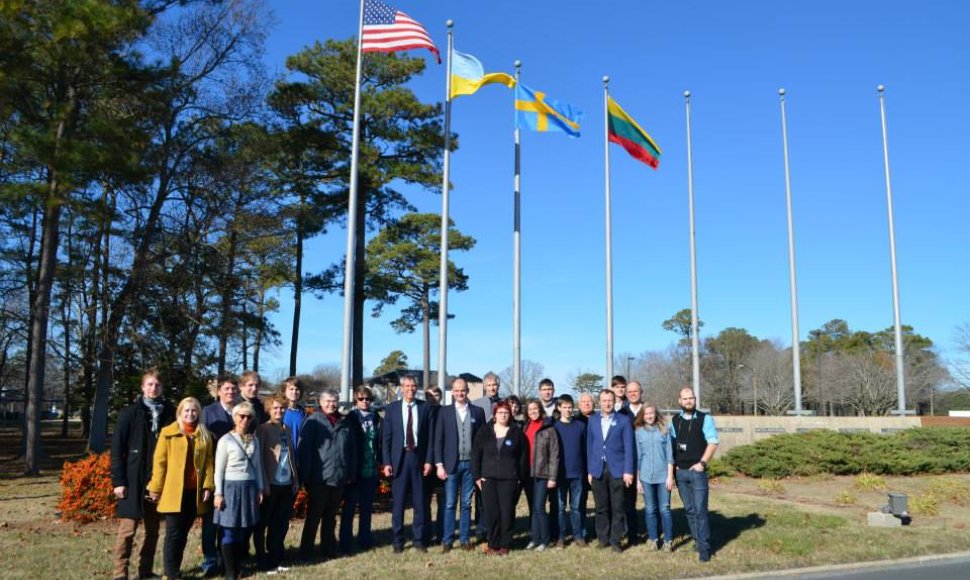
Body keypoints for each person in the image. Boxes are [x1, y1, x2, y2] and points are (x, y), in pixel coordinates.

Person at [111, 369, 175, 580]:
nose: (153, 388)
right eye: (149, 384)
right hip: (133, 479)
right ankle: (120, 573)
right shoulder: (129, 414)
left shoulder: (170, 413)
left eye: (157, 384)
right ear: (142, 387)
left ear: (162, 387)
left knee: (153, 530)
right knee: (127, 531)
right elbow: (117, 451)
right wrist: (118, 482)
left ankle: (145, 571)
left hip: (157, 480)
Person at [148, 397, 215, 580]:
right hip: (174, 492)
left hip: (194, 493)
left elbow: (209, 462)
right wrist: (155, 488)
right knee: (174, 535)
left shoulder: (204, 434)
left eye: (193, 411)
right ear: (180, 412)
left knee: (183, 533)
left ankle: (174, 569)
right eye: (186, 410)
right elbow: (160, 463)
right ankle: (171, 573)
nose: (190, 414)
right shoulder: (168, 433)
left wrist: (208, 485)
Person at [298, 389, 357, 562]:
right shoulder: (313, 421)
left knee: (331, 517)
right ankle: (306, 552)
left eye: (334, 401)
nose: (331, 404)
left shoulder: (344, 423)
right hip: (318, 477)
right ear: (321, 402)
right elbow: (304, 450)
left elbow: (352, 450)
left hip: (339, 476)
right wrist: (305, 476)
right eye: (328, 401)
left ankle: (328, 549)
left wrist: (350, 472)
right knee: (314, 517)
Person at [213, 401, 266, 580]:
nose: (244, 419)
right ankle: (229, 571)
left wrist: (259, 487)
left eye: (248, 416)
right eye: (241, 416)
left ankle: (239, 564)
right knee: (229, 530)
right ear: (234, 417)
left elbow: (257, 466)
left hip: (249, 487)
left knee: (245, 529)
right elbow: (218, 469)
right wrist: (218, 493)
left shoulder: (255, 440)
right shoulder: (225, 440)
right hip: (230, 488)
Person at [382, 375, 433, 553]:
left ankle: (419, 541)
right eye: (407, 386)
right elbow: (386, 438)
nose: (410, 389)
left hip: (418, 459)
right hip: (399, 460)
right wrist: (387, 462)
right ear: (401, 388)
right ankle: (398, 542)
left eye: (413, 386)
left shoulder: (425, 407)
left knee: (420, 504)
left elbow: (430, 438)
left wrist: (428, 460)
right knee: (399, 504)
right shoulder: (392, 409)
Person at [434, 378, 486, 552]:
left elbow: (482, 442)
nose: (459, 393)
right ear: (452, 392)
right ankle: (447, 540)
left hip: (470, 465)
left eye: (462, 390)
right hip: (451, 465)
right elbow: (438, 440)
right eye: (456, 390)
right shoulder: (444, 412)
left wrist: (481, 466)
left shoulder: (478, 412)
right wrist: (439, 465)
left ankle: (464, 539)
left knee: (466, 503)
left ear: (467, 391)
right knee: (449, 503)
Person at [471, 402, 527, 556]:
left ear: (510, 415)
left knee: (507, 512)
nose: (503, 415)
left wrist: (520, 479)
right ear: (494, 414)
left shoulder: (517, 433)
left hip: (509, 479)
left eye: (506, 412)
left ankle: (505, 544)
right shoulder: (484, 431)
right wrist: (477, 476)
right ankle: (493, 543)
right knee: (491, 513)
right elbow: (476, 454)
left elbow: (522, 458)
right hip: (488, 479)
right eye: (500, 412)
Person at [670, 387, 719, 562]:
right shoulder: (675, 421)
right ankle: (697, 541)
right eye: (685, 399)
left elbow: (713, 442)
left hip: (697, 472)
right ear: (679, 401)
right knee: (689, 510)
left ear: (695, 399)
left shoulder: (704, 419)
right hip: (680, 473)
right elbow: (672, 444)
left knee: (700, 511)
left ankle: (705, 548)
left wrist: (702, 463)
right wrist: (674, 467)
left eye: (691, 398)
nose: (688, 401)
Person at [586, 389, 635, 553]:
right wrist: (590, 470)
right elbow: (590, 446)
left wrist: (628, 470)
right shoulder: (592, 421)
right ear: (599, 402)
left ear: (614, 402)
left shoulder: (623, 420)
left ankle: (616, 540)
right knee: (601, 507)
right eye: (604, 400)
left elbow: (629, 447)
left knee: (617, 507)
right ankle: (603, 538)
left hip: (618, 470)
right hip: (598, 469)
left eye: (610, 400)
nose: (607, 403)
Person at [255, 394, 299, 572]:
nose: (279, 411)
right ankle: (261, 560)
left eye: (281, 408)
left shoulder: (286, 429)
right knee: (263, 523)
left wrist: (295, 479)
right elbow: (259, 458)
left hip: (286, 483)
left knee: (280, 523)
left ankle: (277, 557)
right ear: (268, 410)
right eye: (275, 408)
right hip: (270, 484)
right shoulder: (263, 429)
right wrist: (263, 482)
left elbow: (291, 456)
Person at [201, 377, 239, 576]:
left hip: (234, 475)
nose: (230, 392)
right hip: (213, 470)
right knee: (211, 521)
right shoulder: (208, 412)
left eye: (233, 389)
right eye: (226, 389)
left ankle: (227, 557)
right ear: (219, 392)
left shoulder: (242, 411)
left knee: (229, 520)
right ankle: (209, 559)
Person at [340, 386, 383, 554]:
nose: (365, 402)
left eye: (368, 399)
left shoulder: (376, 417)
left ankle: (365, 539)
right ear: (355, 400)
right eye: (361, 399)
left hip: (370, 469)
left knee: (366, 508)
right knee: (349, 508)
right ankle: (345, 542)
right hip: (354, 470)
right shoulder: (350, 418)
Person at [635, 403, 675, 552]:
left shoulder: (665, 430)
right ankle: (653, 539)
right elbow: (638, 457)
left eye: (651, 413)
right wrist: (638, 479)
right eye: (646, 414)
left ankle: (668, 541)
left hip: (663, 476)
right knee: (650, 509)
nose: (649, 416)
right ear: (642, 416)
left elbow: (670, 456)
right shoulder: (638, 432)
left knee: (664, 509)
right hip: (645, 476)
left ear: (656, 414)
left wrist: (670, 477)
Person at [523, 400, 560, 551]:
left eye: (535, 409)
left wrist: (552, 477)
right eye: (530, 409)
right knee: (533, 507)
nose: (533, 411)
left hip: (542, 473)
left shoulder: (548, 428)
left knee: (539, 506)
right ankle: (535, 537)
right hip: (528, 473)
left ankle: (544, 540)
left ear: (540, 410)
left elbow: (554, 454)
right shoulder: (526, 427)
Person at [553, 394, 587, 548]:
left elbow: (586, 449)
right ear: (559, 408)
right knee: (560, 508)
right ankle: (561, 536)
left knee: (576, 507)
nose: (567, 410)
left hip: (577, 473)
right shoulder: (554, 428)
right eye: (564, 407)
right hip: (560, 474)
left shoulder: (580, 426)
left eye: (569, 407)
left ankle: (578, 536)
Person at [618, 380, 645, 546]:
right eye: (630, 391)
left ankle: (655, 533)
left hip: (647, 461)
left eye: (636, 391)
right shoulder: (621, 412)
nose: (633, 394)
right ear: (626, 394)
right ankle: (631, 535)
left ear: (641, 392)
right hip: (627, 462)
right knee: (628, 502)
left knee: (653, 504)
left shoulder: (649, 411)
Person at [423, 386, 445, 546]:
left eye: (436, 395)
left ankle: (441, 534)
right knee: (424, 501)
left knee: (443, 501)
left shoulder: (445, 412)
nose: (433, 398)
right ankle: (426, 533)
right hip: (425, 464)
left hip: (442, 463)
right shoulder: (422, 412)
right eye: (430, 395)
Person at [281, 376, 307, 449]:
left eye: (297, 389)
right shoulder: (279, 412)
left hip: (301, 457)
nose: (294, 392)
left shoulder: (304, 414)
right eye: (291, 389)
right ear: (284, 391)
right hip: (285, 457)